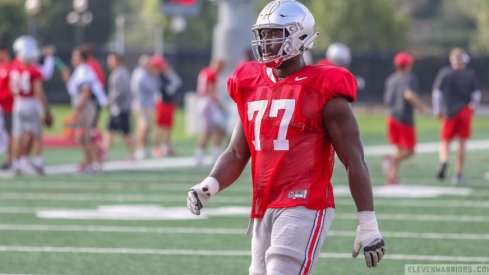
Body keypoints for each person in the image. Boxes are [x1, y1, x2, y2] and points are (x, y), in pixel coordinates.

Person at [186, 1, 385, 274]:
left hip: (305, 202)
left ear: (300, 36)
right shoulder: (251, 83)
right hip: (263, 203)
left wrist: (368, 223)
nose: (265, 42)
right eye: (263, 34)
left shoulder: (324, 90)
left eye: (274, 34)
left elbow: (354, 160)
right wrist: (209, 185)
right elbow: (236, 152)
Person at [432, 48, 481, 184]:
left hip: (449, 112)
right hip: (465, 111)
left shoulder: (445, 73)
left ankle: (444, 161)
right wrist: (474, 108)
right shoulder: (470, 74)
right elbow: (476, 95)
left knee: (445, 141)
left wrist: (437, 109)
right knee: (462, 143)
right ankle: (458, 174)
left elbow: (437, 93)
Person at [383, 52, 429, 185]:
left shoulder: (391, 79)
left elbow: (387, 99)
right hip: (404, 118)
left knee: (399, 149)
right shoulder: (410, 78)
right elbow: (409, 95)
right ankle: (391, 159)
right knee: (409, 151)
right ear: (407, 65)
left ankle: (391, 177)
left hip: (391, 117)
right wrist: (422, 107)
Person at [9, 35, 52, 175]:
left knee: (17, 135)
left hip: (18, 103)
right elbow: (39, 92)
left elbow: (11, 88)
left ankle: (16, 164)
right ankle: (38, 163)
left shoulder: (14, 69)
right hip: (30, 103)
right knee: (37, 134)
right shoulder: (34, 71)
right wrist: (47, 110)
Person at [64, 48, 105, 173]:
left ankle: (93, 161)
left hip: (85, 107)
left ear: (81, 58)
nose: (72, 59)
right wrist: (66, 78)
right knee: (82, 136)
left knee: (84, 136)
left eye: (75, 57)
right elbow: (74, 90)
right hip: (84, 106)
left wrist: (77, 108)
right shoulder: (80, 70)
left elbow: (86, 92)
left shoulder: (84, 70)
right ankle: (89, 161)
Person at [194, 58, 227, 166]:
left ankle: (213, 154)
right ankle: (201, 155)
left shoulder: (206, 72)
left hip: (207, 102)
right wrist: (220, 104)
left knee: (218, 129)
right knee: (209, 130)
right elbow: (210, 90)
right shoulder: (211, 73)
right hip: (208, 103)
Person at [102, 52, 134, 161]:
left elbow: (121, 90)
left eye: (112, 61)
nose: (109, 63)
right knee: (109, 131)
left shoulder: (121, 73)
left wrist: (111, 99)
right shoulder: (116, 73)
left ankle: (131, 154)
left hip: (121, 108)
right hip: (115, 108)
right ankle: (106, 152)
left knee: (126, 133)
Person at [131, 55, 160, 160]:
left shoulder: (145, 74)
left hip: (146, 104)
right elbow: (152, 87)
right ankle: (140, 149)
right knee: (143, 126)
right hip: (141, 104)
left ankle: (139, 148)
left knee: (145, 127)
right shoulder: (141, 75)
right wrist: (154, 75)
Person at [152, 55, 182, 157]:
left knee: (168, 126)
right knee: (160, 126)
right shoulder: (157, 76)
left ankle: (167, 147)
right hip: (162, 103)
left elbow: (177, 83)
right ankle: (156, 148)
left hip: (169, 103)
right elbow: (164, 89)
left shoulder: (167, 75)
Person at [0, 43, 13, 169]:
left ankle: (10, 159)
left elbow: (12, 88)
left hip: (8, 106)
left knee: (10, 133)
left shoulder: (12, 67)